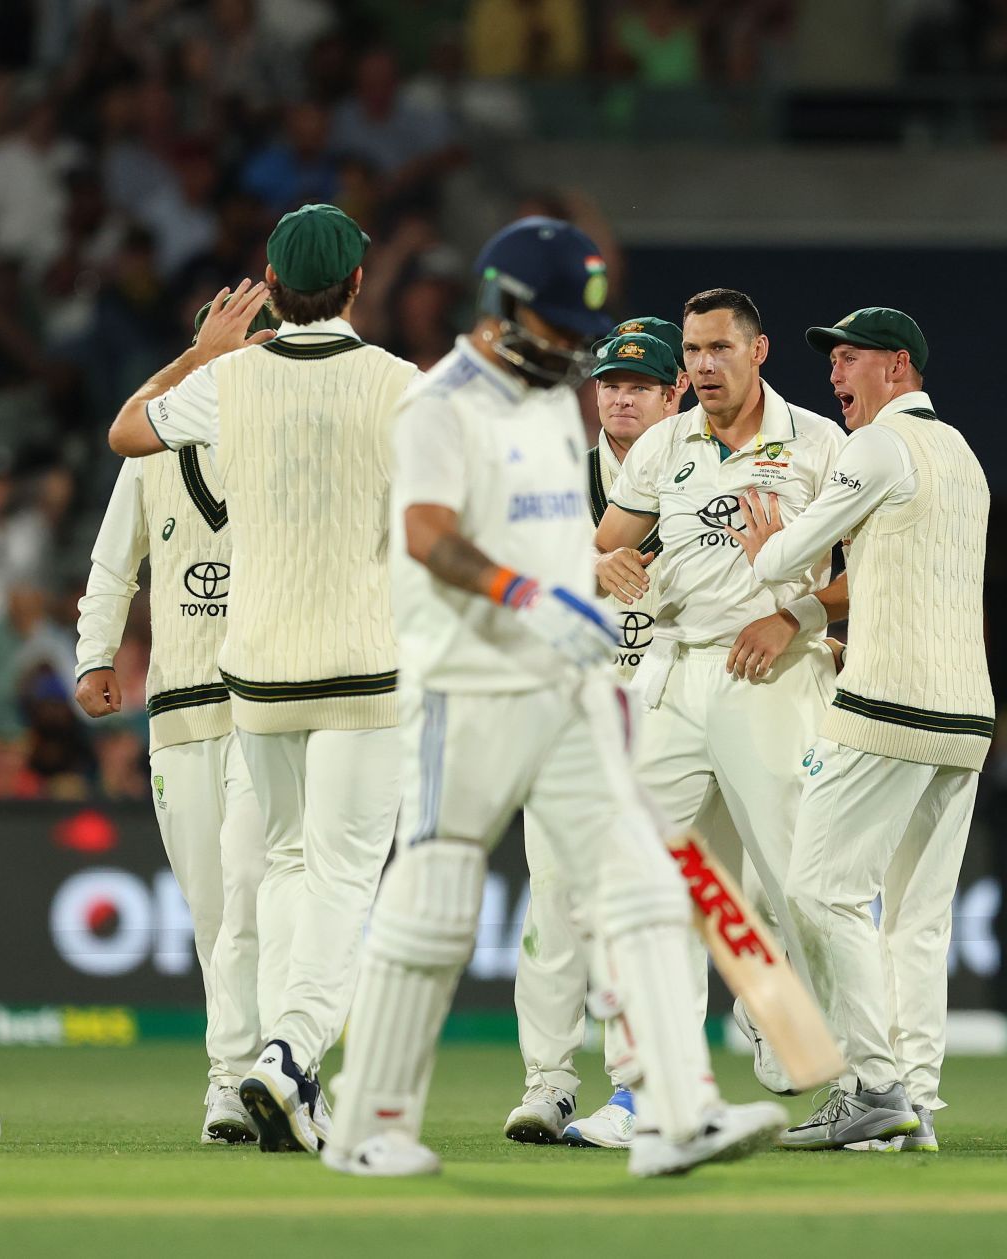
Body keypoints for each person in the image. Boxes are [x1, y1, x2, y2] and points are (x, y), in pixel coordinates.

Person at [322, 217, 784, 1178]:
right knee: (441, 901)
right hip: (470, 683)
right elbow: (425, 533)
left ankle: (673, 1112)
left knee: (647, 884)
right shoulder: (441, 404)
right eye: (558, 322)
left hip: (566, 686)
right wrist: (527, 596)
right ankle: (371, 1124)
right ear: (500, 303)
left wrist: (574, 609)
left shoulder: (543, 399)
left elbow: (555, 536)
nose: (575, 344)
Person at [108, 205, 416, 1153]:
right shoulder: (403, 386)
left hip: (258, 671)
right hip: (365, 664)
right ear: (360, 285)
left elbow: (125, 431)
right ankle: (288, 1055)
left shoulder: (228, 379)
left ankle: (290, 1076)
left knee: (283, 866)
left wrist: (201, 355)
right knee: (343, 876)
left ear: (272, 292)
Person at [726, 307, 989, 1153]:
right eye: (832, 361)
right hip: (966, 713)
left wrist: (768, 545)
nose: (835, 375)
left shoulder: (877, 447)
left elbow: (779, 557)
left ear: (898, 365)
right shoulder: (963, 453)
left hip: (888, 705)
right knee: (916, 918)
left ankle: (873, 1085)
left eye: (850, 359)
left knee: (817, 888)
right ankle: (915, 1102)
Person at [591, 287, 844, 1093]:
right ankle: (639, 1087)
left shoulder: (820, 443)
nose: (702, 365)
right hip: (675, 672)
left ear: (758, 351)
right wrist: (599, 564)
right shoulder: (664, 442)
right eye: (693, 351)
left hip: (773, 675)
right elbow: (604, 545)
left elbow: (870, 577)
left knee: (795, 884)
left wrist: (793, 616)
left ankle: (830, 1065)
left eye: (718, 349)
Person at [75, 304, 262, 1145]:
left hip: (271, 700)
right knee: (212, 906)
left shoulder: (285, 437)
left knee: (261, 893)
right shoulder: (150, 457)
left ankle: (266, 1070)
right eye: (229, 349)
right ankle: (232, 1078)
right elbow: (114, 563)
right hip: (182, 706)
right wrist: (94, 655)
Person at [505, 322, 683, 1147]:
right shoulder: (556, 481)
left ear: (675, 392)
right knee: (556, 907)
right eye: (610, 381)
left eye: (640, 384)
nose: (619, 395)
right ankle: (548, 1081)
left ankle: (641, 1083)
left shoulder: (698, 478)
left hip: (672, 722)